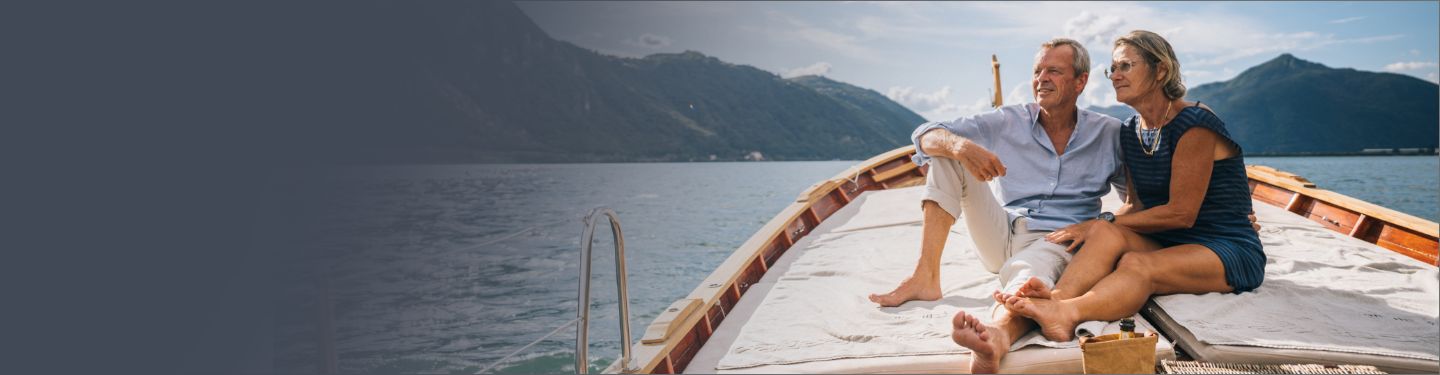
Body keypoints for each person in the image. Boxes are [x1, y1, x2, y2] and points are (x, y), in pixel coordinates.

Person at [866, 38, 1127, 373]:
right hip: (1002, 231)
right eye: (1037, 70)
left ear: (1081, 81)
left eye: (1054, 71)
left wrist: (1097, 223)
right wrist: (960, 145)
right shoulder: (1009, 121)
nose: (1041, 78)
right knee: (946, 157)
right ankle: (925, 276)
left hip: (1057, 240)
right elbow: (924, 136)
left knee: (1030, 277)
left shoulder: (1109, 133)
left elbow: (1135, 203)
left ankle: (997, 335)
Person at [998, 30, 1266, 343]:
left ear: (1160, 71)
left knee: (1135, 263)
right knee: (1104, 231)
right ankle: (1055, 299)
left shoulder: (1194, 123)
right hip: (1170, 240)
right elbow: (1136, 206)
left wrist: (1100, 222)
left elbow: (1181, 214)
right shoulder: (1130, 131)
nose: (1115, 76)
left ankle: (1069, 313)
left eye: (1126, 66)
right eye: (1112, 69)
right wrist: (1096, 229)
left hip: (1224, 245)